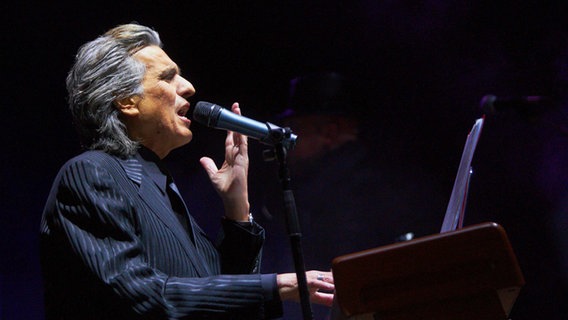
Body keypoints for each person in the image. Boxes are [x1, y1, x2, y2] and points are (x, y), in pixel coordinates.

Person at [39, 23, 334, 319]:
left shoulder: (158, 186)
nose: (189, 86)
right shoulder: (91, 174)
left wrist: (237, 210)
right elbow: (143, 297)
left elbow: (224, 305)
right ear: (126, 100)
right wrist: (278, 285)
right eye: (168, 77)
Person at [255, 72, 444, 319]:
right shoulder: (353, 173)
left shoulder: (355, 184)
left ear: (330, 132)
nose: (286, 146)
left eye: (296, 131)